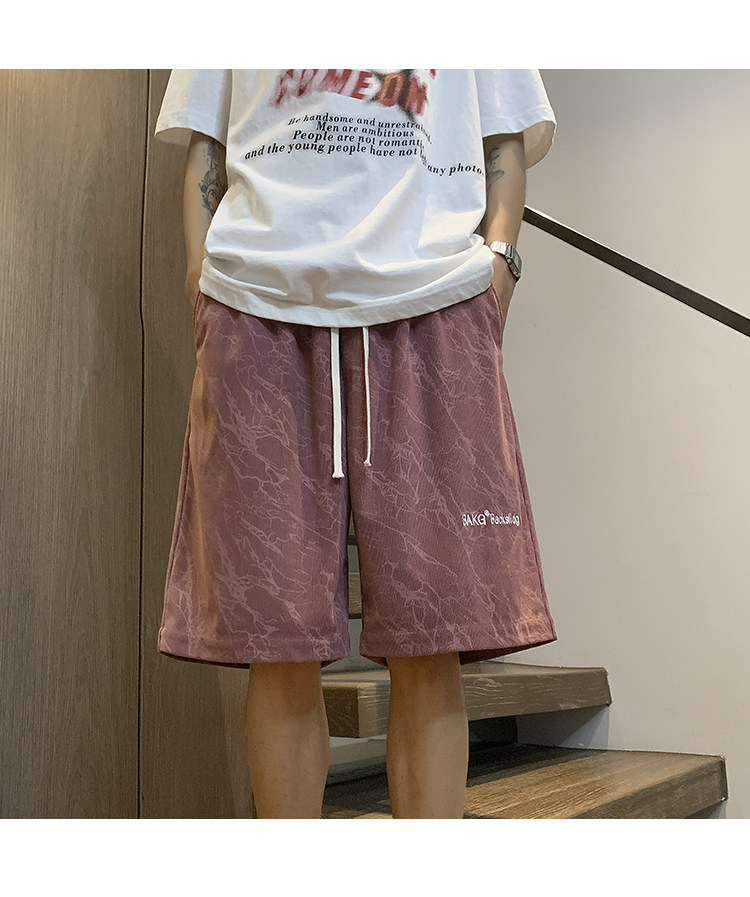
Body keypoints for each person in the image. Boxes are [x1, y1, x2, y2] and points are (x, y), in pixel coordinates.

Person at [154, 68, 558, 819]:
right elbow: (206, 141)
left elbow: (504, 136)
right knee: (277, 641)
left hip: (433, 303)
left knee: (432, 635)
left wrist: (498, 268)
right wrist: (200, 277)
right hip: (256, 303)